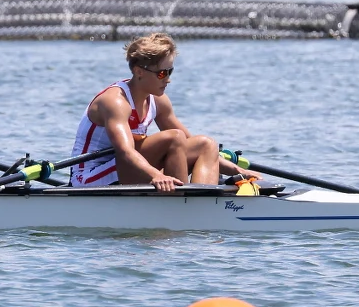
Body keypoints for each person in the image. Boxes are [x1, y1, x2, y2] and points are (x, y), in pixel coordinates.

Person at [70, 32, 245, 192]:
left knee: (206, 144)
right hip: (89, 177)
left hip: (124, 169)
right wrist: (157, 176)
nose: (168, 80)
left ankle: (201, 201)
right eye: (162, 74)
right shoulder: (115, 101)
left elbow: (190, 144)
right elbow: (125, 151)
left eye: (170, 71)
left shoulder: (158, 101)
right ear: (139, 72)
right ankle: (181, 205)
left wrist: (237, 170)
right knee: (174, 138)